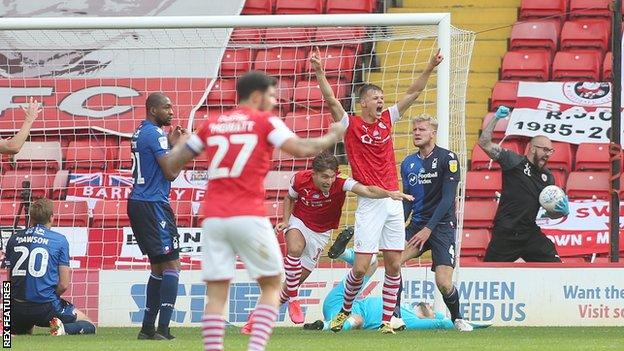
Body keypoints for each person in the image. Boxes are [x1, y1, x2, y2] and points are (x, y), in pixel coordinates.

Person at [165, 70, 346, 351]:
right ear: (257, 96)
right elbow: (300, 148)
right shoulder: (264, 121)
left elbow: (174, 162)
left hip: (213, 216)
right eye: (272, 96)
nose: (274, 102)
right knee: (273, 285)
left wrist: (177, 145)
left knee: (216, 294)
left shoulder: (212, 123)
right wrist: (330, 136)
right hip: (247, 213)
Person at [312, 46, 443, 333]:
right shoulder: (350, 124)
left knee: (394, 264)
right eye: (375, 98)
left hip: (394, 201)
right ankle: (344, 311)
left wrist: (430, 67)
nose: (381, 100)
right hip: (371, 202)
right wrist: (321, 73)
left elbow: (413, 93)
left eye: (382, 97)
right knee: (360, 268)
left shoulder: (388, 119)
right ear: (363, 103)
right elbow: (332, 100)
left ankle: (386, 321)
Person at [267, 152, 413, 325]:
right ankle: (294, 300)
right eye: (324, 177)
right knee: (295, 249)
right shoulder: (299, 179)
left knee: (292, 283)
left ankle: (259, 317)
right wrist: (285, 221)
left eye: (331, 176)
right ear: (313, 173)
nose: (328, 181)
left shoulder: (342, 182)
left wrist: (389, 193)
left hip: (321, 233)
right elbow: (290, 197)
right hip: (300, 222)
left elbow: (366, 190)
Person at [396, 114, 472, 331]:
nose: (416, 133)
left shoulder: (449, 158)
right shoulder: (408, 163)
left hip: (441, 227)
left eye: (421, 129)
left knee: (443, 282)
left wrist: (429, 229)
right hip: (417, 226)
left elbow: (448, 199)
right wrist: (398, 225)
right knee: (394, 263)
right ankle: (395, 316)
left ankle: (457, 318)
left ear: (432, 133)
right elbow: (408, 200)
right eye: (414, 130)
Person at [304, 248, 488, 332]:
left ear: (430, 317)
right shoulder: (402, 306)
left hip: (341, 315)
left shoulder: (409, 321)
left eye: (432, 310)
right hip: (344, 300)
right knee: (372, 263)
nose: (430, 306)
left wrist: (468, 323)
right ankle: (342, 252)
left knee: (357, 320)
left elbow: (442, 323)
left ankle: (323, 326)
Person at [127, 92, 188, 340]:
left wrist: (172, 146)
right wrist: (185, 148)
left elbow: (155, 164)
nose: (171, 112)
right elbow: (171, 172)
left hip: (141, 203)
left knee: (159, 268)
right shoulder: (154, 134)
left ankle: (147, 329)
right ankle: (163, 329)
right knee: (173, 265)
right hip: (153, 205)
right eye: (167, 108)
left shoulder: (142, 132)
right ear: (153, 110)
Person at [478, 106, 569, 262]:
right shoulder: (514, 161)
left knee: (555, 266)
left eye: (551, 151)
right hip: (505, 234)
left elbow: (550, 213)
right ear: (533, 149)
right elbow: (484, 143)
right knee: (489, 274)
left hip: (529, 233)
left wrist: (562, 212)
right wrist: (496, 118)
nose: (548, 154)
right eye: (545, 150)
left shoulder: (548, 178)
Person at [1, 198, 96, 336]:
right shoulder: (59, 240)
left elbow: (9, 281)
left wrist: (10, 309)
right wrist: (43, 295)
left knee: (23, 333)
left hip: (17, 307)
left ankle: (15, 329)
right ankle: (62, 329)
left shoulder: (14, 239)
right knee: (89, 325)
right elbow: (63, 285)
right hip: (46, 307)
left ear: (31, 218)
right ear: (52, 217)